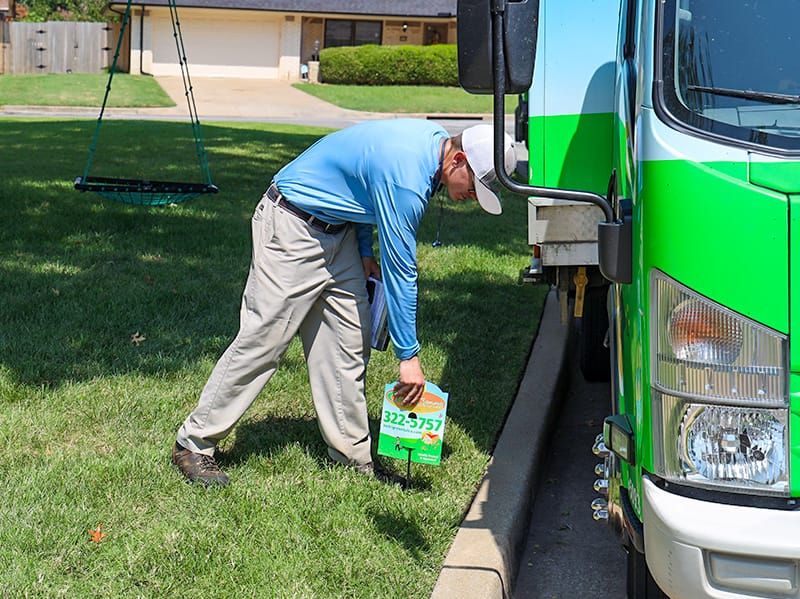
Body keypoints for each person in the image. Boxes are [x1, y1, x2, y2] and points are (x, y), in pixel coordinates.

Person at [171, 119, 516, 486]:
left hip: (340, 233)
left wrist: (365, 251)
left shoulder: (432, 145)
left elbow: (362, 184)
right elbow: (401, 272)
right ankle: (193, 443)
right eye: (476, 188)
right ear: (458, 160)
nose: (474, 198)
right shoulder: (407, 177)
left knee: (347, 343)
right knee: (264, 341)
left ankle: (353, 457)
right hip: (293, 225)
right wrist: (408, 358)